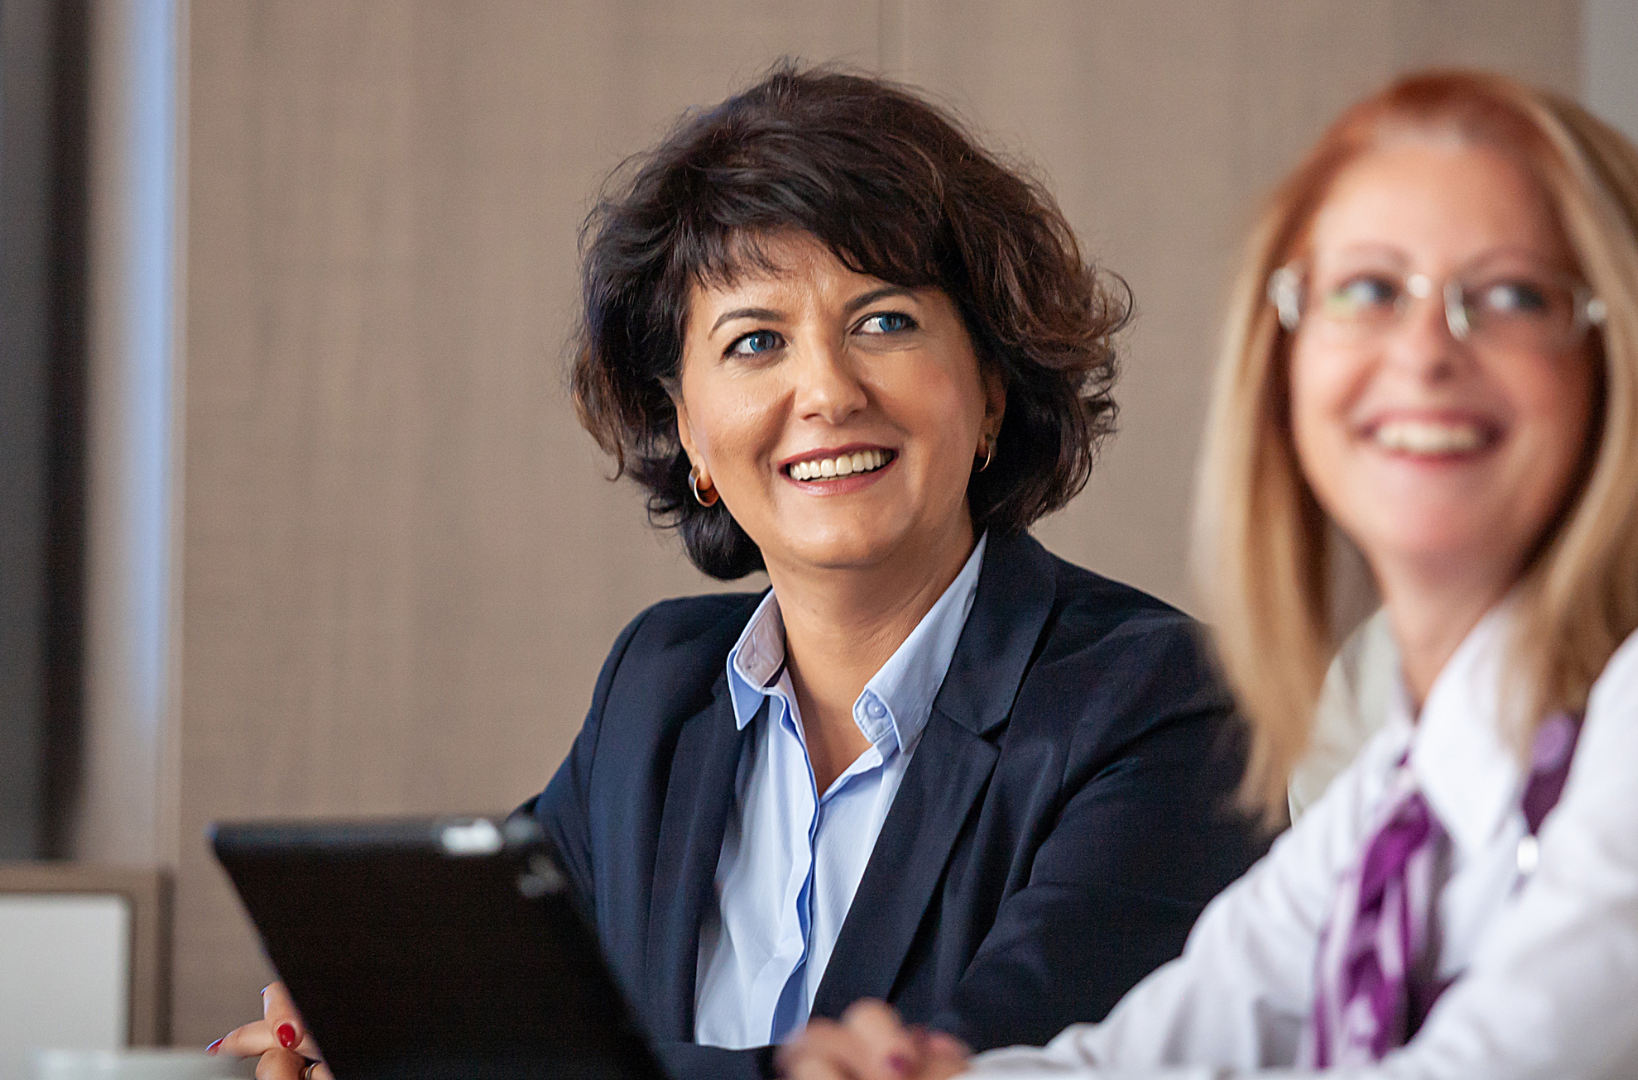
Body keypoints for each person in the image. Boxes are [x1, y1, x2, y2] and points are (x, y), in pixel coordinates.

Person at [780, 70, 1638, 1080]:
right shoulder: (1413, 783)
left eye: (1513, 295)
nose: (1424, 350)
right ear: (1285, 369)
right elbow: (1156, 1051)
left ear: (1627, 367)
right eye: (1367, 291)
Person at [211, 65, 1268, 1080]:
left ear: (991, 390)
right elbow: (501, 993)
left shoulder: (1162, 705)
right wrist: (358, 1030)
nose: (826, 391)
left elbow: (977, 1071)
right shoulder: (658, 690)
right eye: (755, 342)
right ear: (691, 433)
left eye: (885, 321)